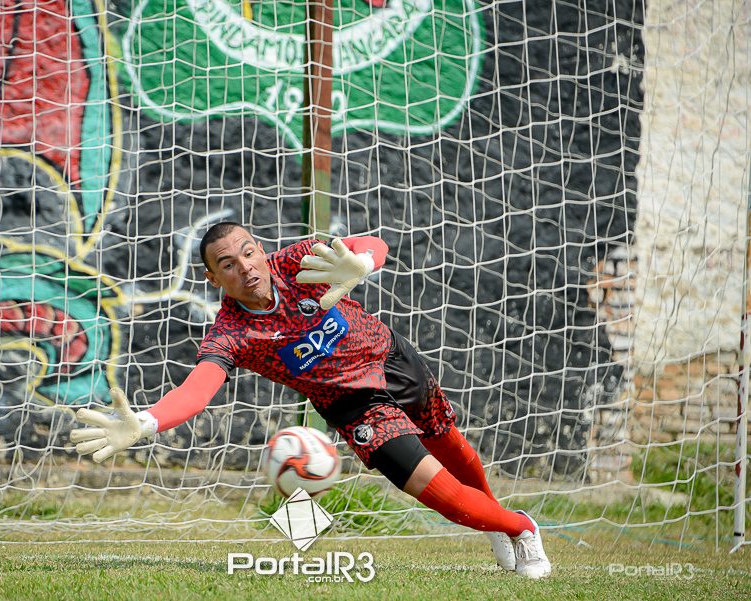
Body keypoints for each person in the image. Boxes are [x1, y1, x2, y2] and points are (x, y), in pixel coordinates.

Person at [70, 222, 552, 579]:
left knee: (452, 447)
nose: (245, 267)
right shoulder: (231, 334)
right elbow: (197, 388)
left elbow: (370, 244)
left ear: (261, 251)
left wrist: (361, 263)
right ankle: (521, 527)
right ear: (213, 278)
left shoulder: (298, 262)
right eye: (228, 264)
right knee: (438, 492)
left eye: (248, 252)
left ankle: (495, 521)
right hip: (354, 407)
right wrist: (147, 422)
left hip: (392, 360)